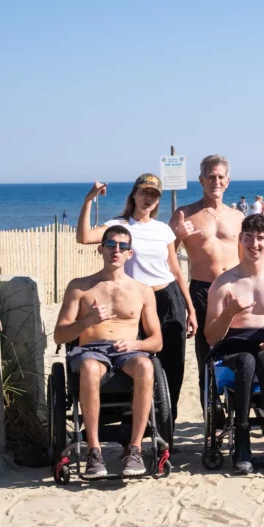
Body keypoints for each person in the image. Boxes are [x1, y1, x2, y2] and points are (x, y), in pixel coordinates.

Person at [75, 174, 196, 424]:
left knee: (172, 366)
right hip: (134, 303)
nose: (148, 198)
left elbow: (175, 270)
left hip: (169, 298)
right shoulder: (120, 226)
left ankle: (165, 426)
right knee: (132, 362)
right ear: (134, 194)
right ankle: (132, 430)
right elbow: (84, 236)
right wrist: (89, 199)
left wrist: (190, 308)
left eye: (154, 194)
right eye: (144, 192)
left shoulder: (163, 230)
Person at [53, 226, 163, 479]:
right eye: (111, 245)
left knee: (147, 367)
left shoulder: (143, 290)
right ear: (100, 249)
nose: (116, 250)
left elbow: (156, 342)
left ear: (130, 254)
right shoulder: (80, 287)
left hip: (127, 350)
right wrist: (86, 321)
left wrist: (137, 344)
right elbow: (60, 335)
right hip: (91, 350)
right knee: (90, 368)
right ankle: (94, 451)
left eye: (123, 247)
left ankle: (135, 449)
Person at [203, 214, 264, 474]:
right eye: (249, 238)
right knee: (246, 362)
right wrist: (229, 312)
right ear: (240, 239)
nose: (254, 244)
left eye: (260, 238)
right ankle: (243, 443)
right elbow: (211, 337)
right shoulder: (224, 283)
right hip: (233, 345)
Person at [169, 155, 246, 389]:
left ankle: (237, 402)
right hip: (203, 289)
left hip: (235, 287)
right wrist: (179, 236)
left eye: (220, 177)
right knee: (207, 353)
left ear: (228, 181)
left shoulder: (238, 216)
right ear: (201, 180)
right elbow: (166, 256)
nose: (216, 181)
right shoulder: (186, 213)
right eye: (211, 176)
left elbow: (247, 256)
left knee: (240, 346)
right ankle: (213, 416)